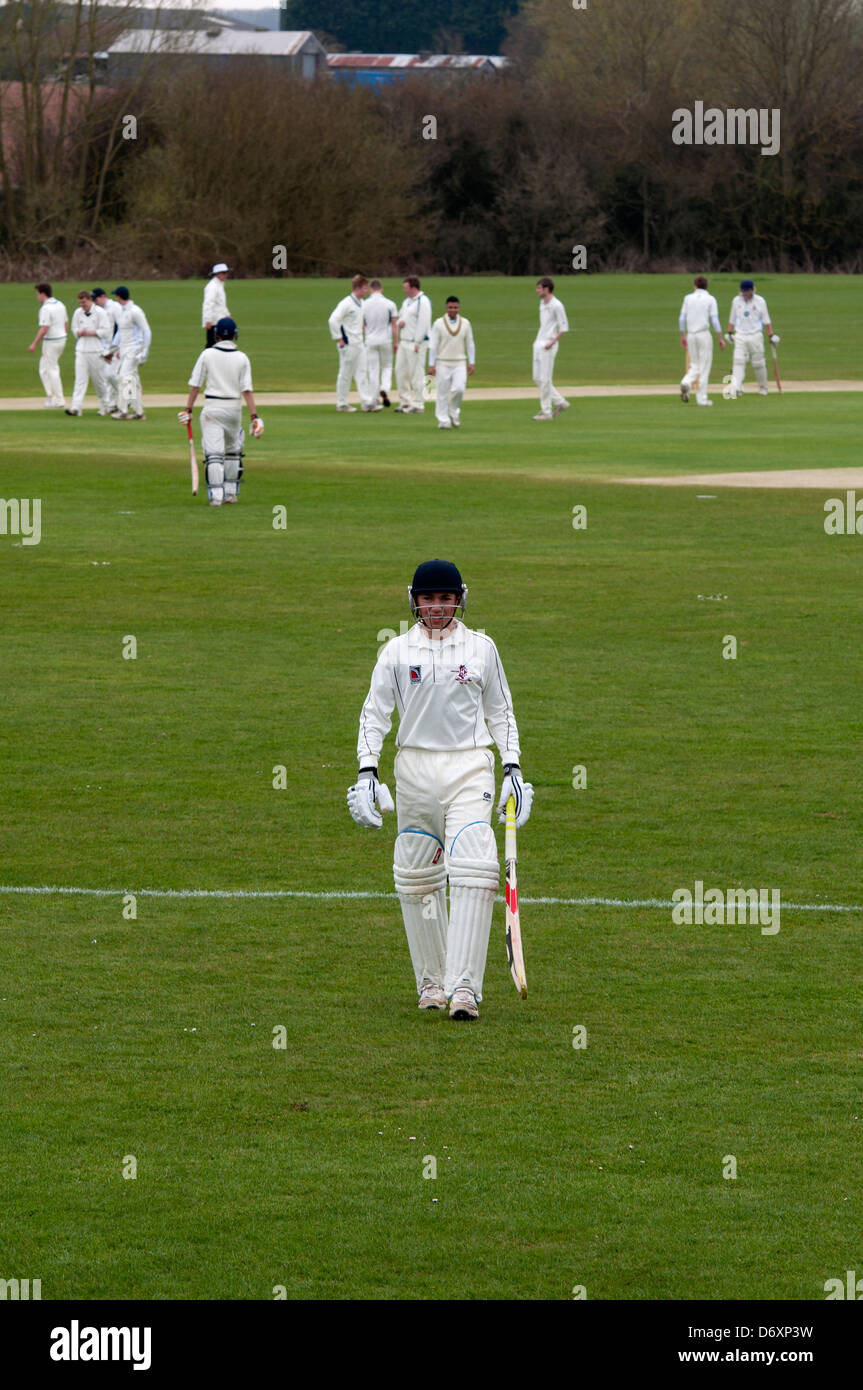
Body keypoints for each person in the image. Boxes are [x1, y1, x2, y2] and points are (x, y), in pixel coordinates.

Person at [347, 559, 533, 1022]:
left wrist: (513, 768)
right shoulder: (394, 652)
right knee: (416, 874)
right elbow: (375, 714)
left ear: (460, 599)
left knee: (474, 863)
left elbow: (502, 713)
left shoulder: (483, 649)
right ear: (414, 600)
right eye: (428, 599)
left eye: (445, 599)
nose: (436, 607)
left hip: (470, 764)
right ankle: (431, 982)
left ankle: (465, 988)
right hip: (413, 768)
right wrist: (367, 772)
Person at [181, 316, 262, 507]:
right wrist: (254, 415)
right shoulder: (242, 358)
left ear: (217, 335)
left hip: (212, 409)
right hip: (234, 410)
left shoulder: (207, 354)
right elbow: (246, 390)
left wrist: (188, 408)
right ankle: (231, 494)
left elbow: (195, 384)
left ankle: (216, 497)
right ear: (234, 335)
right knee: (233, 452)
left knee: (215, 454)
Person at [328, 274, 374, 412]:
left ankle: (367, 402)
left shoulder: (362, 303)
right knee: (345, 373)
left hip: (359, 343)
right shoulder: (346, 303)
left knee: (362, 372)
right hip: (348, 344)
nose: (366, 291)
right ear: (357, 288)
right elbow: (333, 320)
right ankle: (341, 403)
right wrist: (339, 338)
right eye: (364, 288)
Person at [428, 296, 475, 430]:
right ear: (446, 308)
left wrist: (472, 362)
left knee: (459, 389)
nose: (453, 310)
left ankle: (453, 411)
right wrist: (431, 365)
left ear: (459, 308)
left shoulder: (466, 323)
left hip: (460, 362)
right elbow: (433, 345)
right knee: (442, 392)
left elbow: (470, 344)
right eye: (450, 307)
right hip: (442, 362)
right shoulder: (438, 323)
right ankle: (443, 420)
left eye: (455, 307)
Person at [678, 274, 725, 407]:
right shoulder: (710, 299)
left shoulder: (688, 298)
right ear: (706, 286)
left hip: (691, 335)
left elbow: (681, 318)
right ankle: (702, 399)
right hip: (704, 335)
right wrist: (720, 337)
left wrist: (683, 335)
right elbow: (714, 320)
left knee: (695, 365)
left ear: (695, 286)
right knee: (704, 367)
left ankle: (686, 382)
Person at [726, 279, 779, 397]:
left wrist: (771, 335)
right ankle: (737, 388)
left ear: (752, 290)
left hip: (756, 336)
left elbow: (766, 320)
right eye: (743, 291)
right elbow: (732, 319)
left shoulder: (760, 301)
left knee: (758, 364)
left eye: (747, 291)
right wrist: (729, 333)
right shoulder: (736, 301)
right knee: (738, 362)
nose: (745, 293)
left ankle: (763, 387)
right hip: (740, 336)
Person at [66, 290, 112, 416]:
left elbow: (107, 331)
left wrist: (92, 332)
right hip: (81, 350)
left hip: (96, 350)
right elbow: (73, 329)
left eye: (84, 303)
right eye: (80, 303)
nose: (82, 306)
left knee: (99, 381)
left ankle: (105, 406)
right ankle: (76, 408)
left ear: (90, 300)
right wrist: (79, 332)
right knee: (80, 380)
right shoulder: (77, 312)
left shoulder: (100, 312)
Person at [111, 286, 151, 420]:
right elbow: (122, 332)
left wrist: (144, 351)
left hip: (134, 350)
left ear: (119, 296)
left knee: (124, 378)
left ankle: (123, 411)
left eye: (116, 296)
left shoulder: (135, 311)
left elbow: (146, 331)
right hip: (125, 350)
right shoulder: (122, 312)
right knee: (133, 381)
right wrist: (116, 349)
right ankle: (139, 412)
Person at [532, 277, 569, 420]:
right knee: (537, 378)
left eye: (539, 288)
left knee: (546, 379)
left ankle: (546, 412)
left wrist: (552, 342)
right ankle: (560, 402)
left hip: (549, 345)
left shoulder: (557, 305)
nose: (537, 291)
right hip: (538, 344)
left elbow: (564, 327)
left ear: (546, 289)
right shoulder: (542, 303)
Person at [395, 276, 432, 413]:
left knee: (416, 373)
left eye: (406, 288)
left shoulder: (423, 301)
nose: (404, 290)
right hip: (404, 341)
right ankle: (405, 401)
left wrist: (417, 341)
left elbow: (424, 322)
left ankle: (418, 404)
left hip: (417, 343)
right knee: (400, 371)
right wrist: (400, 323)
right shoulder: (406, 302)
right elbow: (400, 318)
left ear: (413, 287)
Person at [28, 283, 69, 408]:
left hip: (51, 341)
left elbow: (44, 328)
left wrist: (34, 344)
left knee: (52, 369)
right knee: (44, 369)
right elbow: (66, 323)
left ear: (42, 294)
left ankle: (58, 400)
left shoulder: (45, 308)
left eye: (37, 294)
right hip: (61, 339)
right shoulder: (60, 304)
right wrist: (62, 336)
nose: (37, 297)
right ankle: (51, 396)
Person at [363, 279, 398, 408]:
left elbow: (362, 325)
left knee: (373, 370)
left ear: (371, 289)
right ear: (381, 289)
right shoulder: (390, 304)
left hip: (370, 340)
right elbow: (394, 325)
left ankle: (374, 399)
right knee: (387, 367)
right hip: (386, 339)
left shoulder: (364, 304)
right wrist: (396, 342)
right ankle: (384, 388)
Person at [92, 289, 122, 413]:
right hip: (105, 346)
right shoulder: (98, 310)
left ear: (103, 297)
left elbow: (122, 327)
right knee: (106, 376)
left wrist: (119, 346)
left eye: (95, 299)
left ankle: (128, 396)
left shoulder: (114, 307)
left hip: (116, 346)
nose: (94, 302)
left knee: (110, 374)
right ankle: (112, 404)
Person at [203, 263, 230, 348]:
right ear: (218, 274)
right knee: (212, 344)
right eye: (224, 273)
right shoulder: (212, 286)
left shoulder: (219, 285)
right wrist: (208, 320)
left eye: (226, 272)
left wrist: (227, 314)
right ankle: (204, 361)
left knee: (218, 344)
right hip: (214, 321)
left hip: (220, 321)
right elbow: (208, 303)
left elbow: (221, 303)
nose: (226, 275)